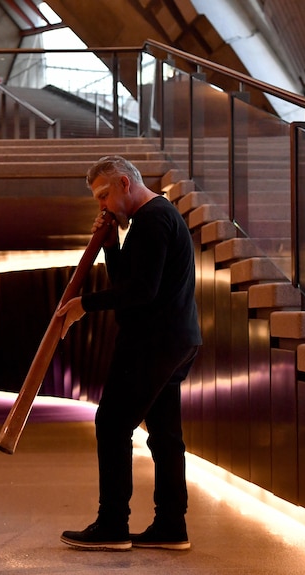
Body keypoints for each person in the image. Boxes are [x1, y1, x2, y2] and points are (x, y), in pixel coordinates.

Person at [55, 155, 201, 551]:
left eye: (103, 195)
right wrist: (112, 244)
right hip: (175, 340)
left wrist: (84, 305)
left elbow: (140, 294)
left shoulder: (153, 219)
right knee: (165, 435)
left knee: (112, 425)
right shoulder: (152, 218)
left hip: (152, 342)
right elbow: (129, 281)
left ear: (124, 183)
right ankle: (172, 525)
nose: (101, 205)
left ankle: (112, 524)